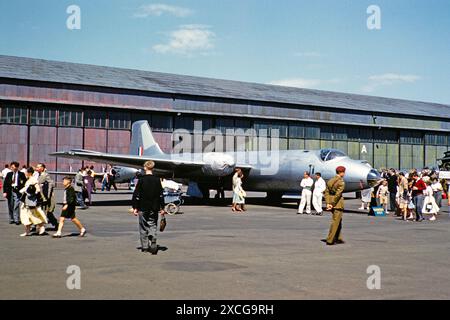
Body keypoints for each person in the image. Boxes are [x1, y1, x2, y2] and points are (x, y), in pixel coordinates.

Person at [132, 161, 164, 254]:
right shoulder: (157, 180)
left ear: (145, 168)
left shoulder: (141, 180)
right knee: (153, 224)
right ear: (152, 168)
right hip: (154, 207)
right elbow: (160, 195)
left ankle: (145, 247)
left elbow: (136, 194)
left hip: (143, 206)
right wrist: (162, 208)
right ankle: (153, 236)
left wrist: (135, 207)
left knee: (143, 226)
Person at [18, 167, 48, 237]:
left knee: (33, 215)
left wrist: (30, 193)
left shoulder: (33, 179)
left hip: (31, 201)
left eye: (26, 172)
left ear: (29, 173)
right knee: (25, 216)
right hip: (26, 201)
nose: (25, 173)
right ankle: (27, 231)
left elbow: (37, 189)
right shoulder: (29, 179)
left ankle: (41, 227)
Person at [323, 166, 346, 245]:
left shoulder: (330, 180)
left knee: (339, 221)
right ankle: (330, 240)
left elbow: (326, 192)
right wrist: (332, 204)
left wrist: (328, 203)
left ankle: (338, 237)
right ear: (342, 172)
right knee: (335, 222)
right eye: (344, 172)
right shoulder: (341, 182)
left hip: (331, 202)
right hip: (337, 204)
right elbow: (338, 194)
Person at [35, 163, 58, 229]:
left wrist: (47, 194)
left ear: (42, 168)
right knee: (42, 211)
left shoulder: (45, 175)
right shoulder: (38, 175)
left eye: (38, 167)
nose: (37, 168)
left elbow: (51, 183)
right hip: (40, 196)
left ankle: (54, 223)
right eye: (37, 167)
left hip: (45, 196)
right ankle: (38, 225)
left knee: (47, 211)